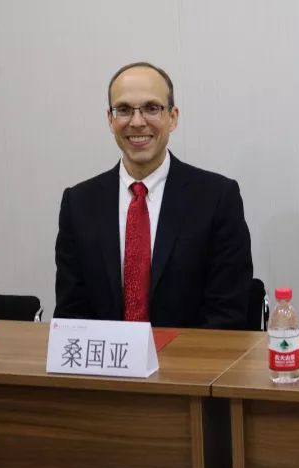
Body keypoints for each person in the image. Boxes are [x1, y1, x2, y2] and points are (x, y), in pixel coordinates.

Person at [55, 62, 252, 328]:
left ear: (173, 117)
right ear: (110, 119)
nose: (137, 122)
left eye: (151, 108)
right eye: (124, 110)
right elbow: (71, 313)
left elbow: (227, 314)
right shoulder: (79, 204)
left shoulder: (217, 199)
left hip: (191, 354)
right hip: (107, 355)